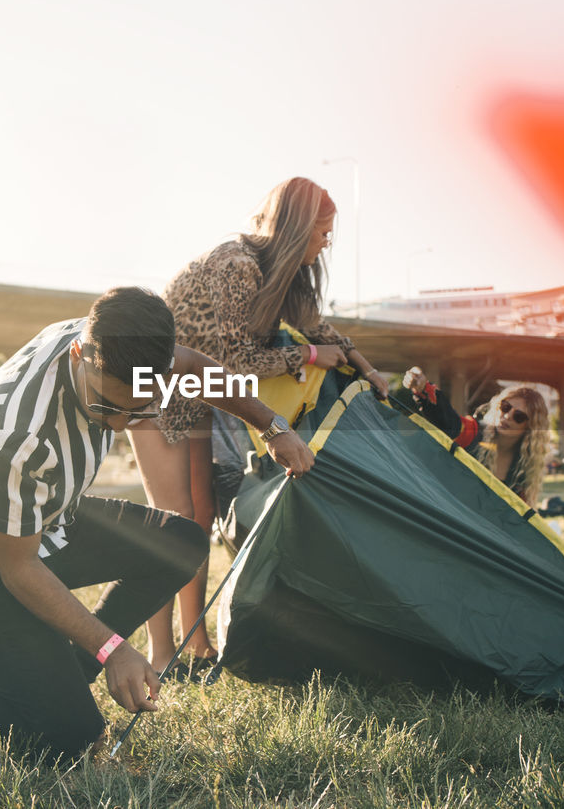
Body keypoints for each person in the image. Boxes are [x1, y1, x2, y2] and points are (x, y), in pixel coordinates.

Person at [0, 287, 315, 759]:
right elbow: (18, 567)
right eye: (105, 407)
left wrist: (272, 425)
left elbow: (196, 368)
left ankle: (61, 679)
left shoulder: (122, 346)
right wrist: (112, 648)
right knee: (66, 739)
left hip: (48, 517)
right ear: (79, 355)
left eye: (137, 407)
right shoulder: (16, 434)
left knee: (181, 543)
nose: (119, 424)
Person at [127, 177, 389, 678]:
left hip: (195, 392)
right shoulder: (239, 265)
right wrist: (311, 356)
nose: (326, 243)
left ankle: (196, 643)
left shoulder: (280, 276)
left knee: (197, 520)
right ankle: (161, 652)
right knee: (172, 519)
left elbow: (322, 328)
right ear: (296, 227)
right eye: (322, 232)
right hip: (154, 385)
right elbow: (236, 359)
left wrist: (368, 369)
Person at [400, 367, 549, 508]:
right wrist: (423, 389)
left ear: (530, 428)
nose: (507, 416)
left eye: (519, 416)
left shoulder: (523, 468)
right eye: (505, 407)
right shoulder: (474, 432)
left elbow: (519, 515)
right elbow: (449, 421)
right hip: (441, 509)